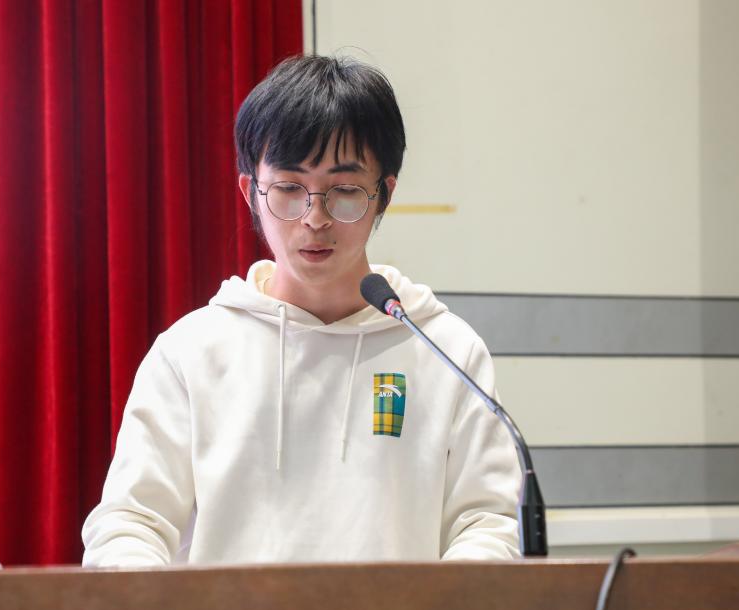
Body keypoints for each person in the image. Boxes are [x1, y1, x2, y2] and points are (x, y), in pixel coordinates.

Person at [81, 55, 521, 567]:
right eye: (289, 189)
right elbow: (130, 522)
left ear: (383, 195)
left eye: (345, 190)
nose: (315, 218)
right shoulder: (191, 352)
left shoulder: (445, 351)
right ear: (251, 192)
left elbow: (484, 524)